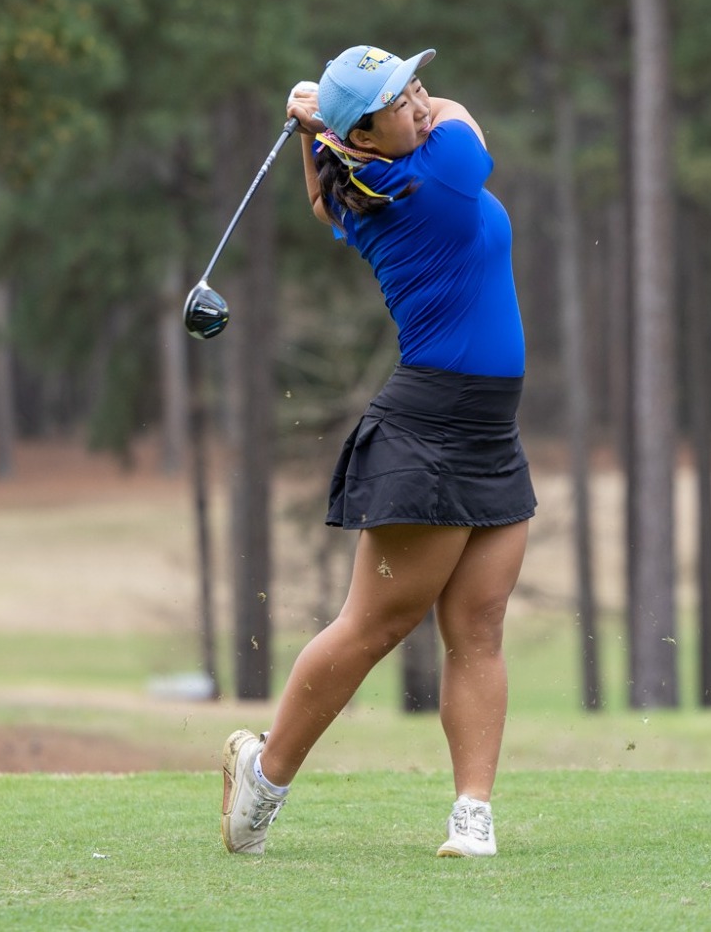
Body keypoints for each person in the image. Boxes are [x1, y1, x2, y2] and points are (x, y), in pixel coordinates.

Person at [219, 45, 533, 859]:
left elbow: (325, 201)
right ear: (367, 130)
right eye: (402, 97)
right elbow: (466, 121)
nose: (423, 100)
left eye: (417, 83)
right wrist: (322, 125)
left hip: (489, 428)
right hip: (428, 427)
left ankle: (472, 810)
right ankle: (265, 774)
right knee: (374, 625)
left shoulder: (363, 182)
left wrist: (315, 132)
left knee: (480, 625)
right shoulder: (443, 169)